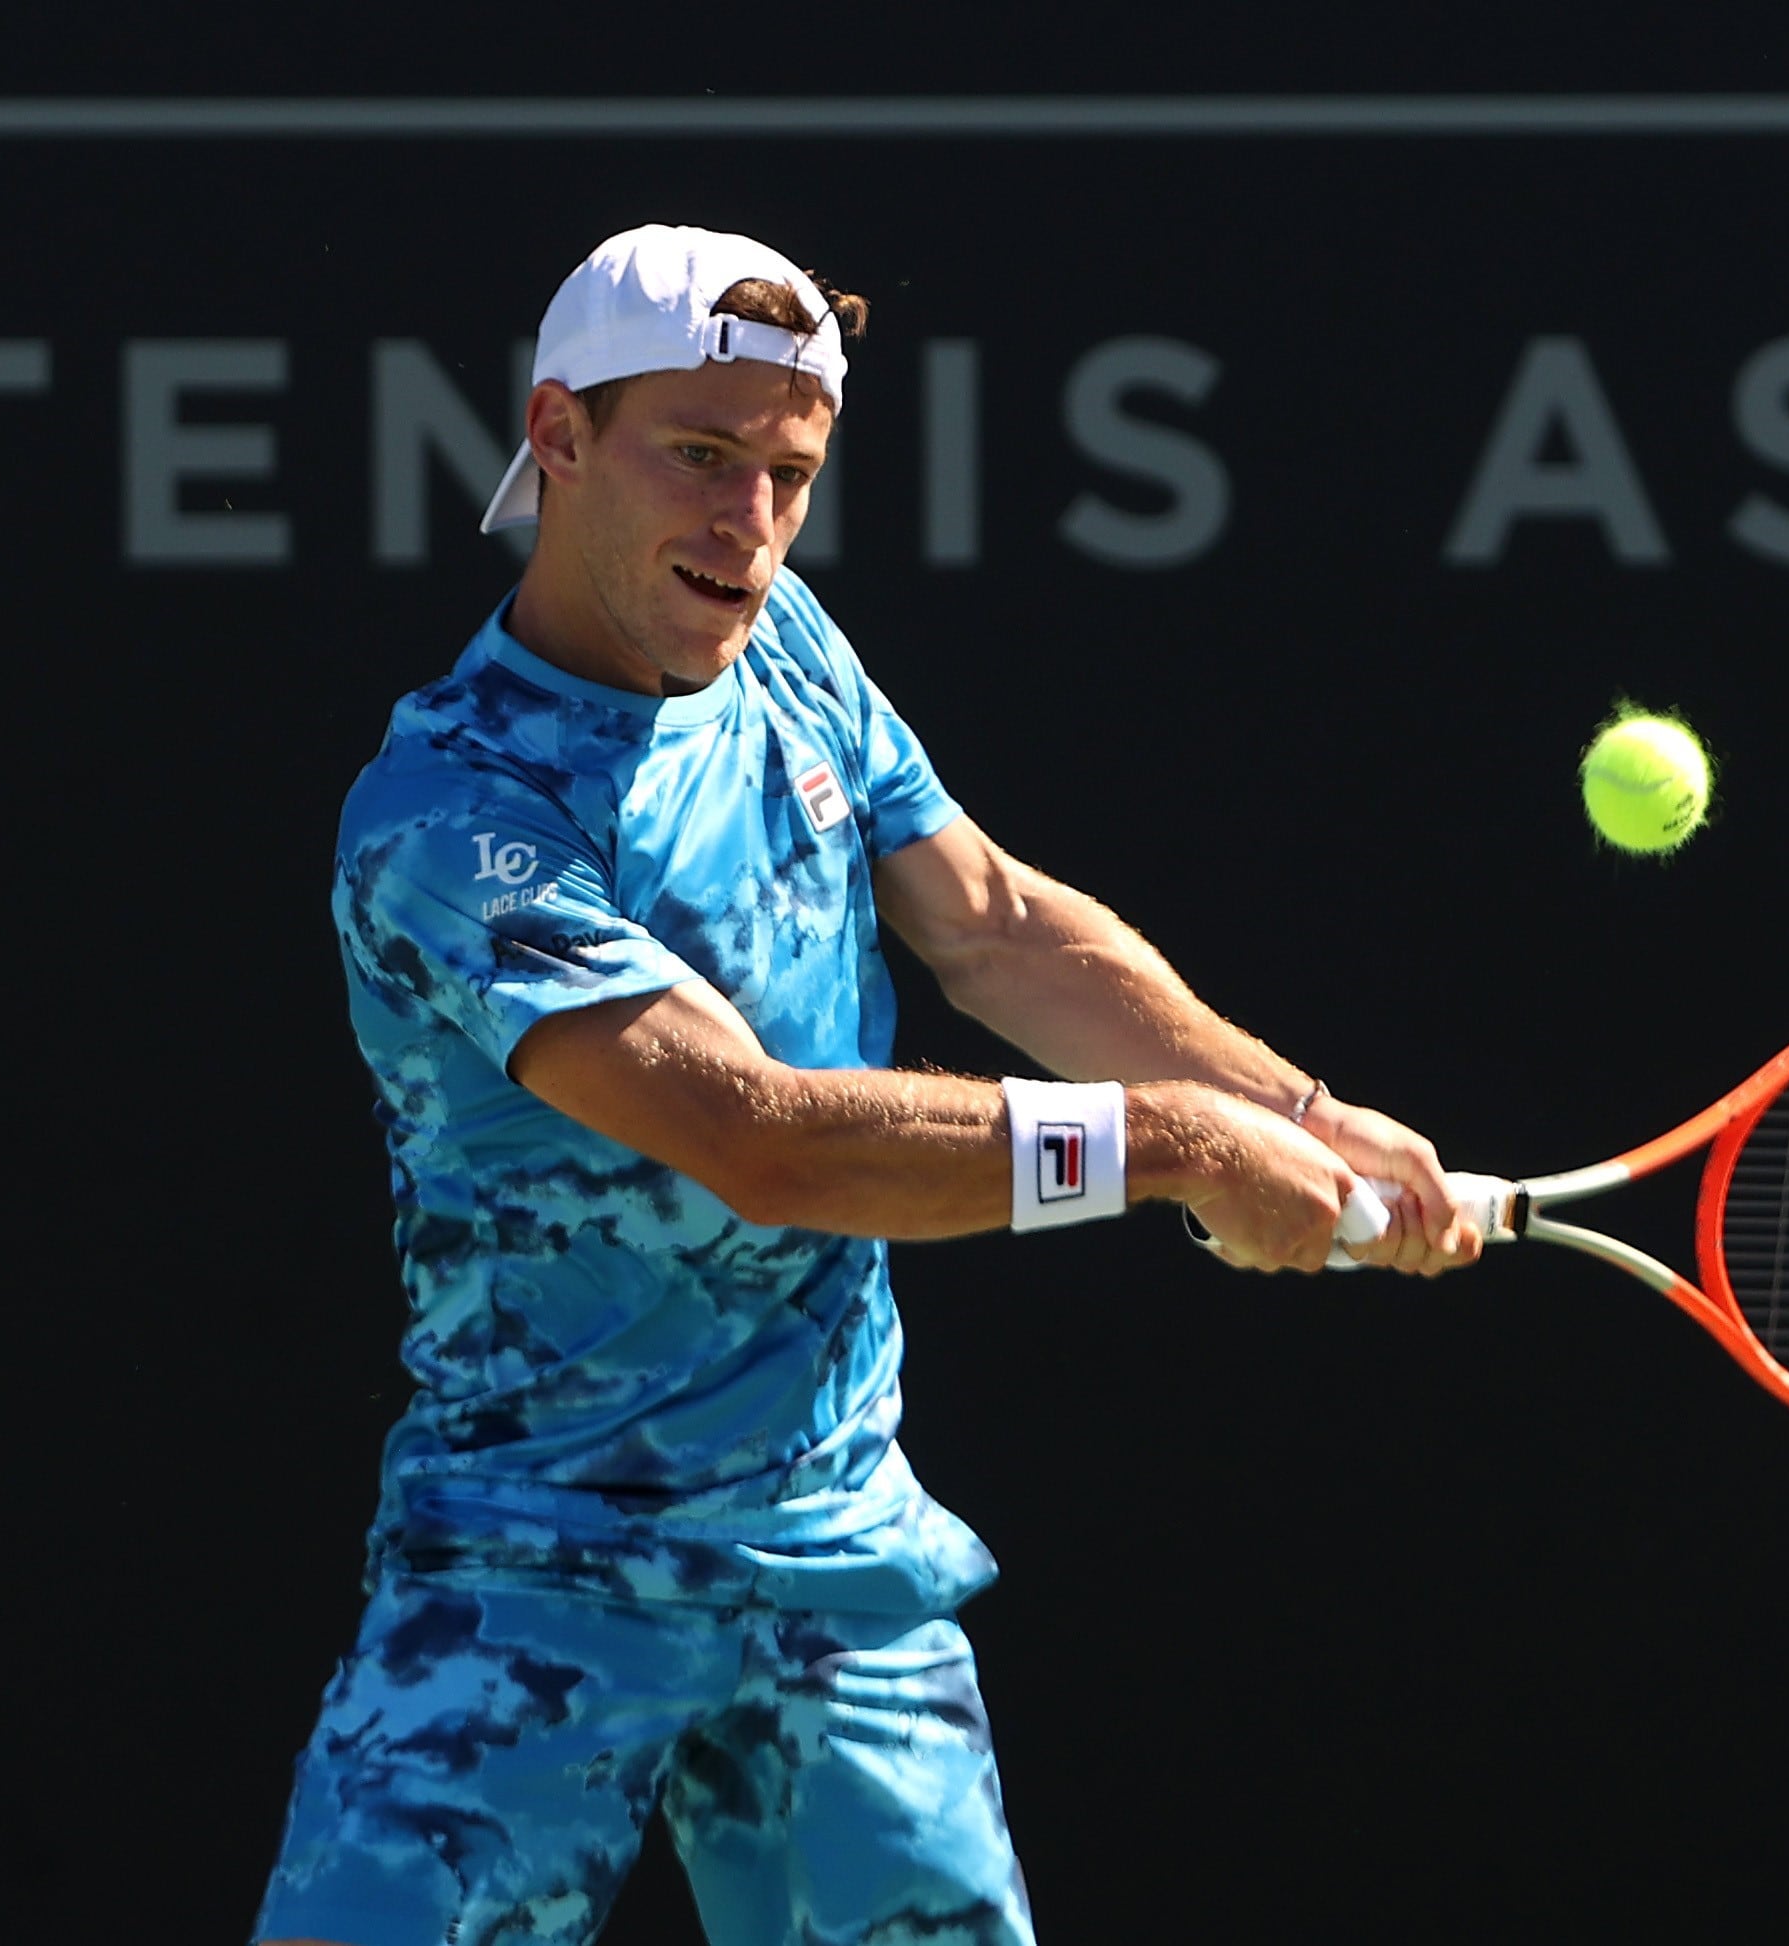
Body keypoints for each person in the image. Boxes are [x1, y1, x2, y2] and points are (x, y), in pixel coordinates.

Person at [251, 224, 1480, 1946]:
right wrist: (1185, 1147)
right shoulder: (448, 815)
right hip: (535, 1562)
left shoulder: (785, 650)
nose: (746, 526)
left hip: (835, 1554)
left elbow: (990, 925)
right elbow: (756, 1140)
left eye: (787, 475)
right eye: (698, 457)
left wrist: (1295, 1109)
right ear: (558, 433)